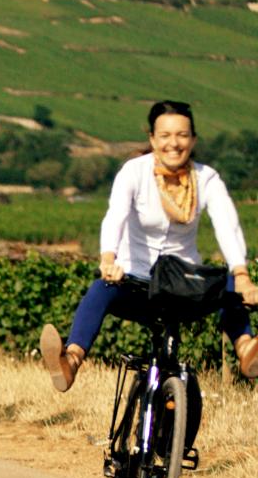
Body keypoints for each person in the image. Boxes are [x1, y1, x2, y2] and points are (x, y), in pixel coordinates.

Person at [40, 99, 258, 391]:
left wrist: (242, 274)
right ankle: (72, 360)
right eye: (165, 135)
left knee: (229, 283)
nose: (174, 143)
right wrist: (108, 259)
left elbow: (227, 225)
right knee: (100, 289)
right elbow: (115, 216)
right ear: (152, 139)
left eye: (182, 135)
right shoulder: (135, 172)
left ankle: (247, 350)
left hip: (183, 287)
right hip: (136, 282)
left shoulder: (206, 179)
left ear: (193, 140)